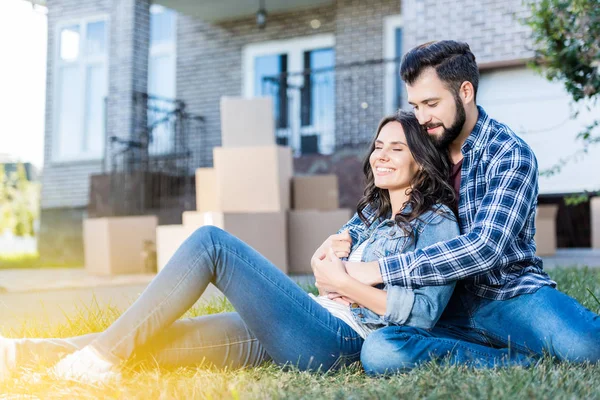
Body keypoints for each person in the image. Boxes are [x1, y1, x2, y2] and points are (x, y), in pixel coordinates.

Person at [0, 111, 465, 384]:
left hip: (340, 341)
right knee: (163, 339)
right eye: (377, 146)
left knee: (212, 244)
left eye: (396, 149)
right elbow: (326, 269)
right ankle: (23, 354)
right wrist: (328, 261)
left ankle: (101, 358)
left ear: (422, 163)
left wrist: (347, 282)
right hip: (308, 316)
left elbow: (420, 315)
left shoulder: (438, 222)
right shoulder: (373, 214)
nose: (379, 156)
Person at [318, 40, 600, 375]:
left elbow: (484, 248)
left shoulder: (509, 154)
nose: (422, 118)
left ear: (465, 91)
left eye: (431, 103)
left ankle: (507, 340)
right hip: (440, 307)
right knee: (382, 352)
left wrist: (379, 270)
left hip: (506, 295)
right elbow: (379, 208)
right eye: (415, 105)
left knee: (587, 347)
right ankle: (513, 361)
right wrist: (337, 242)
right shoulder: (425, 147)